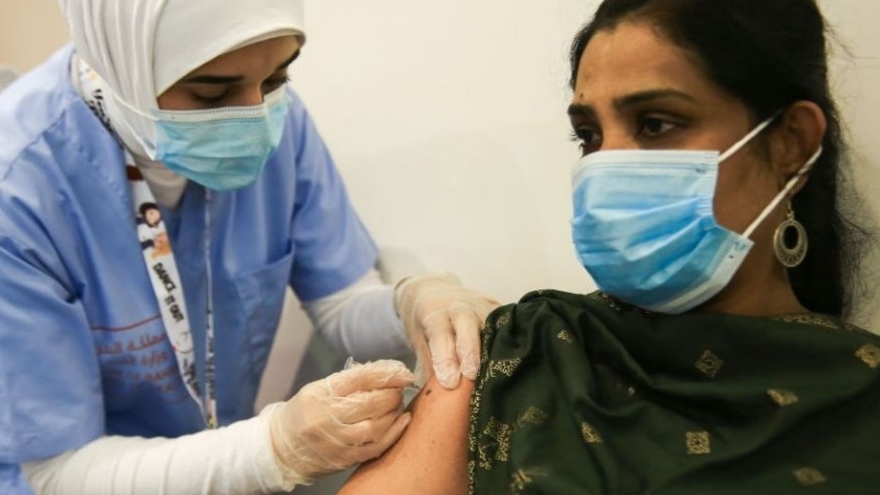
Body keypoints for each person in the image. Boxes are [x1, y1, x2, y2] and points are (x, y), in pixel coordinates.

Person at [337, 0, 880, 493]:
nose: (606, 167)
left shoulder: (861, 392)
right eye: (590, 136)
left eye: (656, 124)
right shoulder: (531, 349)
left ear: (790, 144)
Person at [0, 0, 499, 494]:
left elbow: (340, 303)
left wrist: (410, 304)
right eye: (211, 92)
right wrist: (273, 449)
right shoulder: (20, 188)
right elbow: (52, 472)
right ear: (121, 61)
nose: (253, 116)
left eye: (277, 78)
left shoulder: (276, 120)